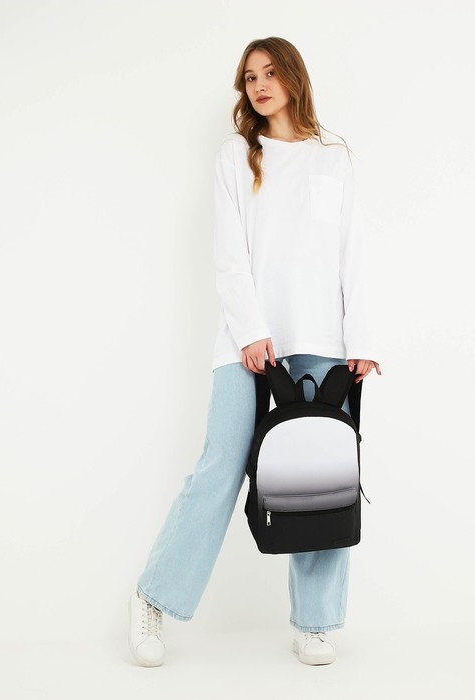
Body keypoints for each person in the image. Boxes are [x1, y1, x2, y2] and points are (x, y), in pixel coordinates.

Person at [128, 36, 380, 667]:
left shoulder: (333, 160)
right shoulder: (236, 156)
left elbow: (353, 255)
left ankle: (315, 623)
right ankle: (154, 597)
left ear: (293, 77)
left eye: (270, 73)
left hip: (323, 341)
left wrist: (362, 341)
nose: (260, 85)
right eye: (249, 77)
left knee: (322, 478)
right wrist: (250, 331)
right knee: (220, 466)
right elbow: (230, 253)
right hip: (247, 339)